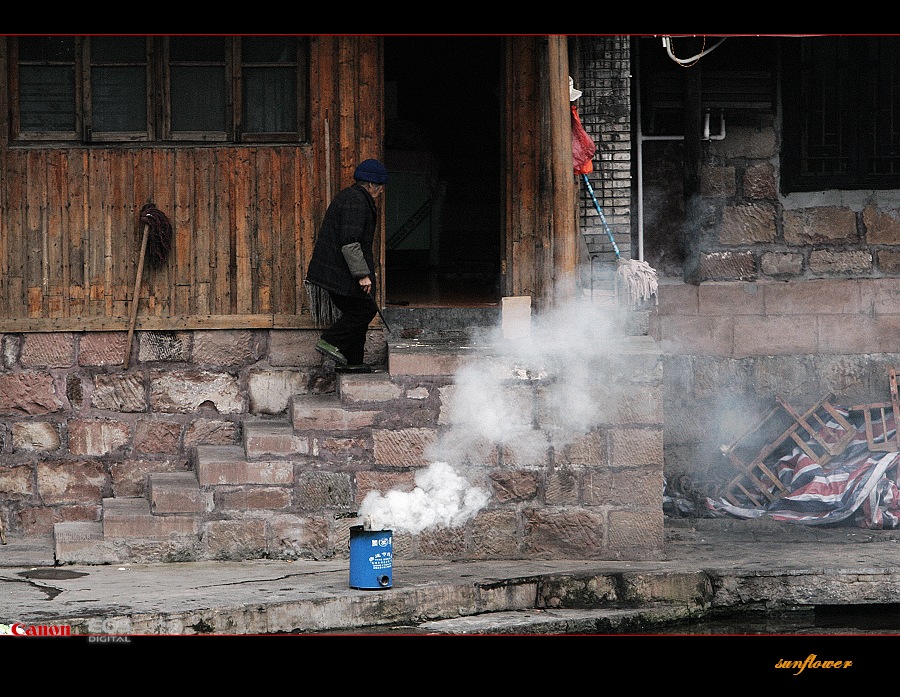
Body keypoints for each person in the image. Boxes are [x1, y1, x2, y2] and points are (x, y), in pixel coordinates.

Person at [304, 158, 388, 374]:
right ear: (371, 185)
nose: (380, 192)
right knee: (365, 308)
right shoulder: (356, 201)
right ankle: (330, 341)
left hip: (335, 272)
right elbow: (350, 241)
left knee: (357, 310)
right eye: (380, 188)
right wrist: (362, 275)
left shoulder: (351, 197)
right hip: (338, 273)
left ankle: (353, 361)